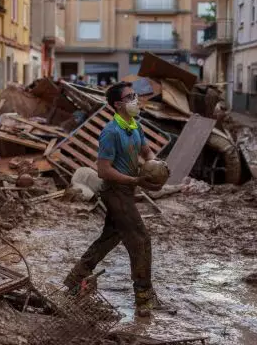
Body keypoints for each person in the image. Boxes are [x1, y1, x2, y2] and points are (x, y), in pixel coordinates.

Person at [63, 81, 175, 317]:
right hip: (116, 193)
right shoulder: (110, 132)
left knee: (109, 238)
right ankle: (144, 300)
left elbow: (146, 151)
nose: (135, 99)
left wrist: (153, 166)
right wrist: (135, 181)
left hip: (126, 193)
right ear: (117, 104)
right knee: (141, 241)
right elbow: (103, 170)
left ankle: (74, 280)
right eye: (130, 97)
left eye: (135, 95)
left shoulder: (134, 125)